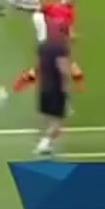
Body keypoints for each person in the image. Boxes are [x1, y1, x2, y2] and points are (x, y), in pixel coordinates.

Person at [33, 22, 73, 155]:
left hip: (43, 87)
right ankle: (44, 143)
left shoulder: (42, 47)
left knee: (48, 120)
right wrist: (66, 91)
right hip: (56, 89)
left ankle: (45, 142)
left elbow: (38, 66)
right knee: (57, 124)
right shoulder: (61, 48)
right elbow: (63, 70)